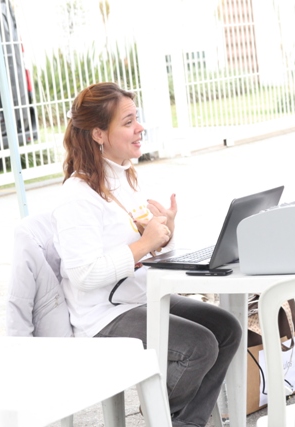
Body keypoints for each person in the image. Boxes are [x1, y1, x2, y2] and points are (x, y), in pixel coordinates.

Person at [52, 82, 242, 427]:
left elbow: (143, 248)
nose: (140, 128)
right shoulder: (77, 196)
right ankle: (163, 413)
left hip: (139, 298)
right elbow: (83, 275)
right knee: (199, 346)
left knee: (226, 328)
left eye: (136, 119)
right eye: (128, 122)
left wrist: (164, 231)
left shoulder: (124, 179)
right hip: (102, 317)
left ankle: (182, 421)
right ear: (98, 134)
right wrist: (144, 243)